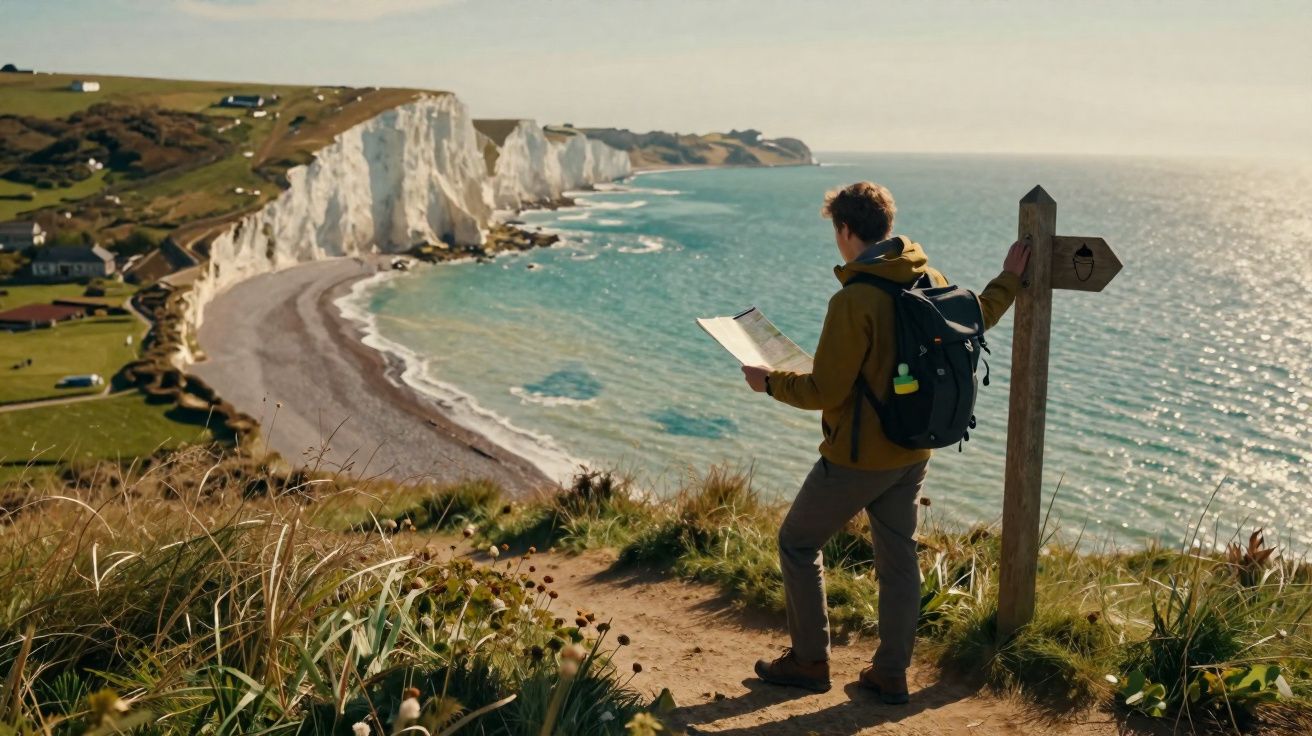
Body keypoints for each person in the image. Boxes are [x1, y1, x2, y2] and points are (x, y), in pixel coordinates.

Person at [741, 181, 1030, 703]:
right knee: (898, 562)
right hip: (913, 451)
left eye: (836, 231)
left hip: (856, 458)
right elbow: (979, 315)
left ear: (846, 229)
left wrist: (770, 383)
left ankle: (809, 661)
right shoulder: (929, 278)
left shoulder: (854, 300)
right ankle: (891, 673)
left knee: (797, 543)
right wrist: (1009, 277)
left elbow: (824, 391)